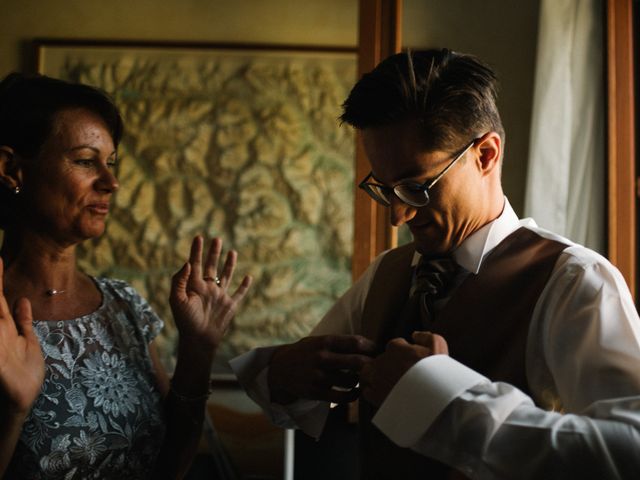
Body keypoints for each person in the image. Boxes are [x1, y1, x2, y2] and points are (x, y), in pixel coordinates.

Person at [230, 49, 640, 479]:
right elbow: (293, 395)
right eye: (385, 188)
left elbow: (629, 451)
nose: (398, 215)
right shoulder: (386, 275)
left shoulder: (573, 280)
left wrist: (447, 404)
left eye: (417, 186)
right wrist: (282, 374)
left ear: (485, 153)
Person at [0, 73, 252, 479]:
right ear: (11, 168)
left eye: (111, 163)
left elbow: (171, 464)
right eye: (85, 160)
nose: (111, 182)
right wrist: (11, 413)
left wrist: (198, 348)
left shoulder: (123, 305)